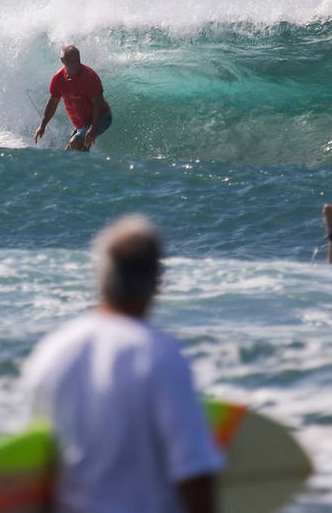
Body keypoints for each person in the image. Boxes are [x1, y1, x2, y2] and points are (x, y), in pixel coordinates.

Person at [20, 215, 222, 513]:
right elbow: (192, 472)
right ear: (158, 282)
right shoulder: (159, 355)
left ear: (100, 277)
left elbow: (35, 467)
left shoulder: (51, 352)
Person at [34, 45, 112, 150]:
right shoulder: (58, 79)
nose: (74, 65)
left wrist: (93, 128)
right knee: (70, 154)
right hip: (82, 124)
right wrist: (43, 125)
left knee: (76, 143)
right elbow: (53, 103)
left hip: (101, 118)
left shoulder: (89, 76)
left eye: (77, 61)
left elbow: (99, 104)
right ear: (62, 60)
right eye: (70, 62)